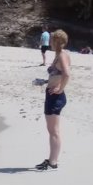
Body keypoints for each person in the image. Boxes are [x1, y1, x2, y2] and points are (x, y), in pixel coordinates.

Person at [37, 30, 71, 171]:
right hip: (52, 95)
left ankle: (53, 162)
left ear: (55, 41)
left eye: (51, 40)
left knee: (54, 131)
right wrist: (45, 81)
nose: (49, 42)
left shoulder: (62, 55)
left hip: (55, 97)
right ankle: (52, 160)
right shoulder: (61, 55)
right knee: (51, 130)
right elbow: (58, 75)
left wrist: (60, 89)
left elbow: (67, 74)